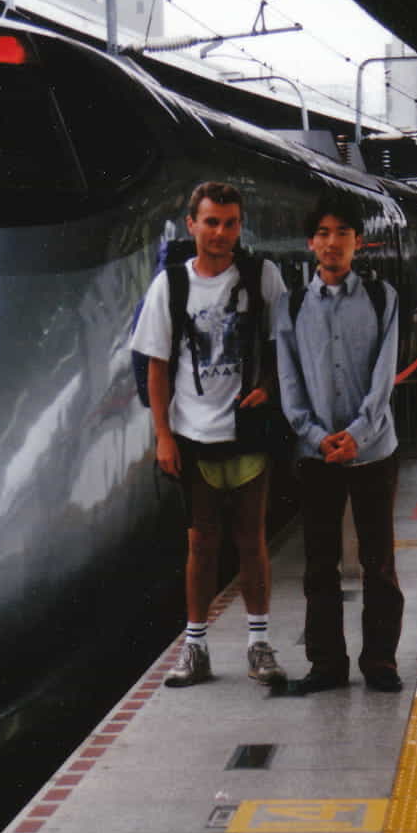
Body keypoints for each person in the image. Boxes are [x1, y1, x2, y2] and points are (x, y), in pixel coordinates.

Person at [131, 181, 288, 688]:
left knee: (251, 540)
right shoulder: (170, 287)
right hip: (193, 434)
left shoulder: (263, 277)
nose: (220, 233)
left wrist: (269, 388)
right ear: (192, 225)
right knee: (200, 544)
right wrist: (163, 435)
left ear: (239, 227)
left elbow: (285, 345)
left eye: (230, 223)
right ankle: (194, 648)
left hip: (247, 431)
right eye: (211, 222)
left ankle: (258, 644)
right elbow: (156, 367)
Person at [275, 194, 403, 694]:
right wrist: (314, 434)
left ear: (358, 242)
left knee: (380, 561)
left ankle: (380, 662)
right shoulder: (289, 304)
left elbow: (384, 374)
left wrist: (356, 435)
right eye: (323, 233)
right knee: (319, 563)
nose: (332, 242)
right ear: (311, 243)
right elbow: (290, 382)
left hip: (372, 451)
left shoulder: (381, 297)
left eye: (342, 233)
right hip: (316, 454)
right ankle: (326, 664)